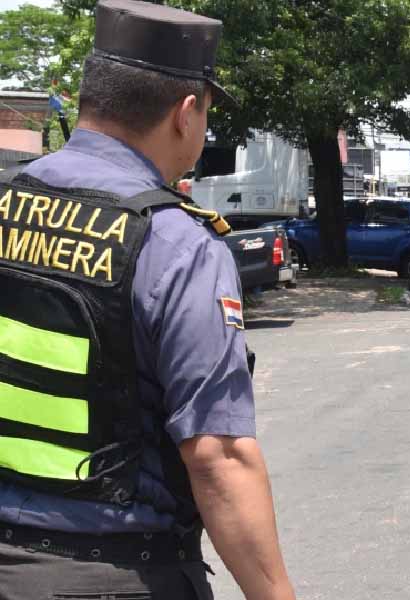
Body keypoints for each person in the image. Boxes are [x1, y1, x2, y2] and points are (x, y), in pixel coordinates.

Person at [0, 1, 295, 599]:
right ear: (186, 113)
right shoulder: (178, 243)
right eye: (208, 113)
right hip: (114, 573)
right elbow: (217, 456)